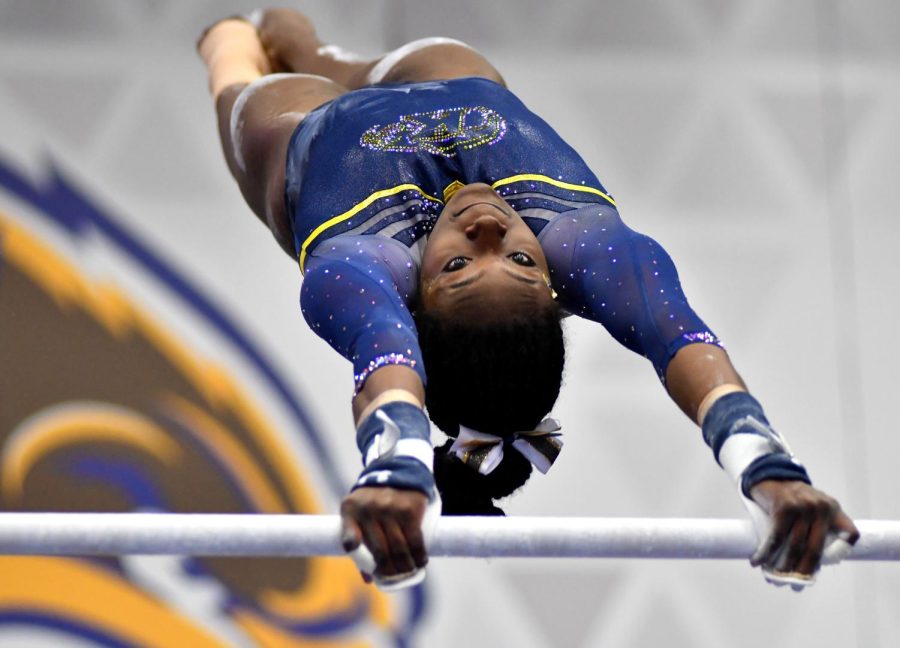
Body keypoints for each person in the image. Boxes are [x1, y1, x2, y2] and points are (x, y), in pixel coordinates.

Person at [197, 8, 859, 590]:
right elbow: (680, 338)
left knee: (235, 50)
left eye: (457, 265)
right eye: (517, 259)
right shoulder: (583, 247)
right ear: (554, 286)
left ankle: (230, 33)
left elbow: (386, 366)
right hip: (453, 81)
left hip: (303, 129)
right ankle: (297, 36)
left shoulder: (362, 265)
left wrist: (395, 469)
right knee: (302, 42)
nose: (489, 227)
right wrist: (768, 467)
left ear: (412, 298)